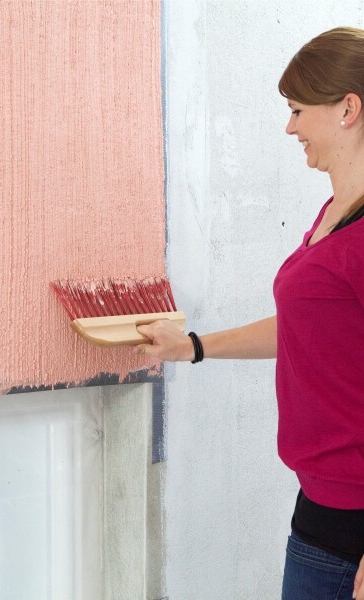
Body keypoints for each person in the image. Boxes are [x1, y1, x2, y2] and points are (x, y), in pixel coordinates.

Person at [133, 27, 364, 600]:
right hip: (319, 510)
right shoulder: (335, 211)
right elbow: (309, 332)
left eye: (297, 111)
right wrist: (192, 346)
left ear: (348, 109)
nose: (290, 128)